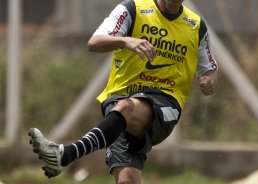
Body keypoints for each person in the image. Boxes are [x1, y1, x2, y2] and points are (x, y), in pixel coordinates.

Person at [28, 0, 218, 183]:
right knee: (127, 180)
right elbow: (94, 42)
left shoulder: (196, 25)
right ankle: (63, 157)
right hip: (119, 101)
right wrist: (125, 41)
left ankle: (66, 154)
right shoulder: (133, 9)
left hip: (165, 103)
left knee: (126, 107)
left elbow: (209, 67)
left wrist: (208, 79)